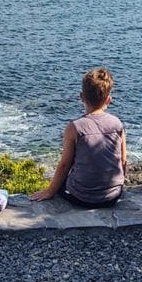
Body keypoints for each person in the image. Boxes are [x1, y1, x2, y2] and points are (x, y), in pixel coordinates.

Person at [30, 67, 127, 207]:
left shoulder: (75, 127)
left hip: (82, 197)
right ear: (108, 99)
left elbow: (64, 165)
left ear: (81, 97)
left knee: (63, 182)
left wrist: (50, 191)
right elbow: (123, 160)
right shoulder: (117, 124)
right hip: (113, 196)